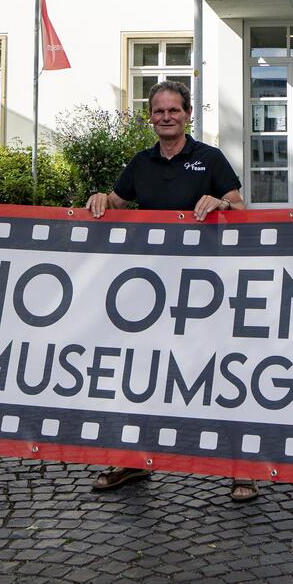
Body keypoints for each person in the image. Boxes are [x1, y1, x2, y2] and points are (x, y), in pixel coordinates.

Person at [84, 81, 256, 500]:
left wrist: (221, 204)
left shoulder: (210, 159)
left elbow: (241, 208)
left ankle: (242, 470)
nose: (166, 117)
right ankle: (131, 461)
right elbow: (118, 201)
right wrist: (100, 199)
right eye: (158, 111)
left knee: (219, 371)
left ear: (188, 114)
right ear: (150, 117)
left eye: (173, 110)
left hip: (205, 288)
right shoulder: (140, 164)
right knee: (139, 372)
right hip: (153, 288)